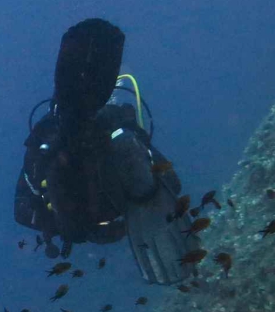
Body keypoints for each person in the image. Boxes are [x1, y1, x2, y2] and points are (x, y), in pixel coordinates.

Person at [15, 18, 199, 285]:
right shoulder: (115, 125)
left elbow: (22, 208)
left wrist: (55, 221)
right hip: (109, 218)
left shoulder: (59, 136)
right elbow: (172, 182)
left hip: (91, 221)